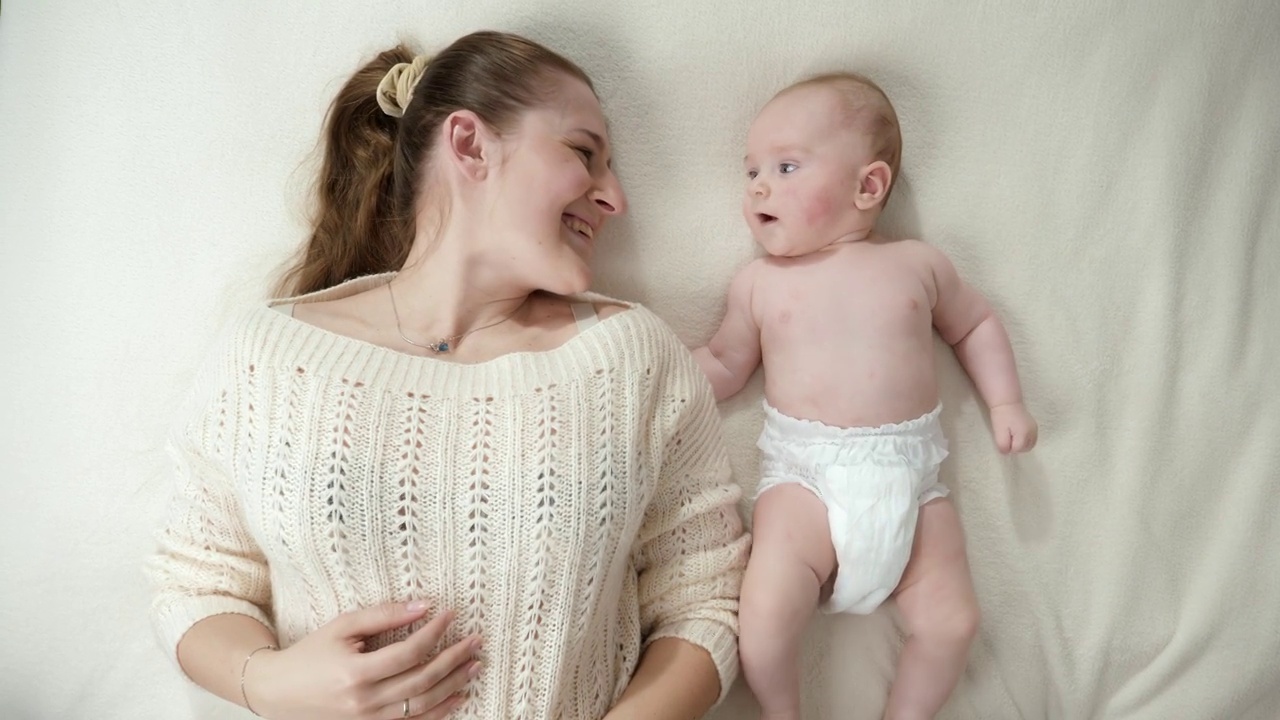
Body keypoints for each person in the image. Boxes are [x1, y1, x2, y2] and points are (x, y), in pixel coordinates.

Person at [147, 30, 749, 720]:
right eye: (584, 153)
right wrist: (265, 681)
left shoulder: (629, 358)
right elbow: (196, 579)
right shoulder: (269, 356)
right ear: (468, 144)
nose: (614, 197)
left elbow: (704, 596)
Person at [692, 73, 1038, 720]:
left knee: (953, 624)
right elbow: (722, 363)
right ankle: (782, 711)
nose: (759, 186)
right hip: (805, 478)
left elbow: (975, 325)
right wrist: (656, 371)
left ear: (868, 186)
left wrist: (1006, 403)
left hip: (912, 477)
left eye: (786, 166)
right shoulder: (759, 284)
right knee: (763, 619)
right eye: (751, 172)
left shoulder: (918, 264)